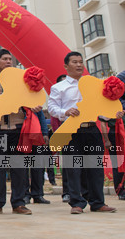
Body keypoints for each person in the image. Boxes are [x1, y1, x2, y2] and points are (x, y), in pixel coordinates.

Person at [48, 51, 120, 214]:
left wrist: (111, 114)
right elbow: (52, 108)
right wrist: (65, 112)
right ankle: (77, 203)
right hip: (71, 132)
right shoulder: (59, 87)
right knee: (74, 168)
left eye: (81, 62)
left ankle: (97, 202)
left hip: (91, 130)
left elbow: (100, 109)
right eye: (75, 62)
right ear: (66, 66)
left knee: (95, 167)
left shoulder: (95, 85)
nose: (79, 65)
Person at [0, 49, 41, 216]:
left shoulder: (22, 79)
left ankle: (19, 203)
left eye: (10, 59)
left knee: (19, 168)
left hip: (18, 128)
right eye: (5, 59)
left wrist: (34, 106)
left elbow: (31, 99)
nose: (9, 61)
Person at [100, 70, 125, 200]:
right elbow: (103, 122)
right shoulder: (109, 103)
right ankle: (121, 189)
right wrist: (106, 140)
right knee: (118, 162)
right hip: (115, 134)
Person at [24, 110, 50, 204]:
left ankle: (38, 194)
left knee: (38, 167)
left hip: (36, 135)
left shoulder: (35, 99)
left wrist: (44, 133)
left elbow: (41, 116)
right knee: (23, 168)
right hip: (23, 135)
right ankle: (25, 194)